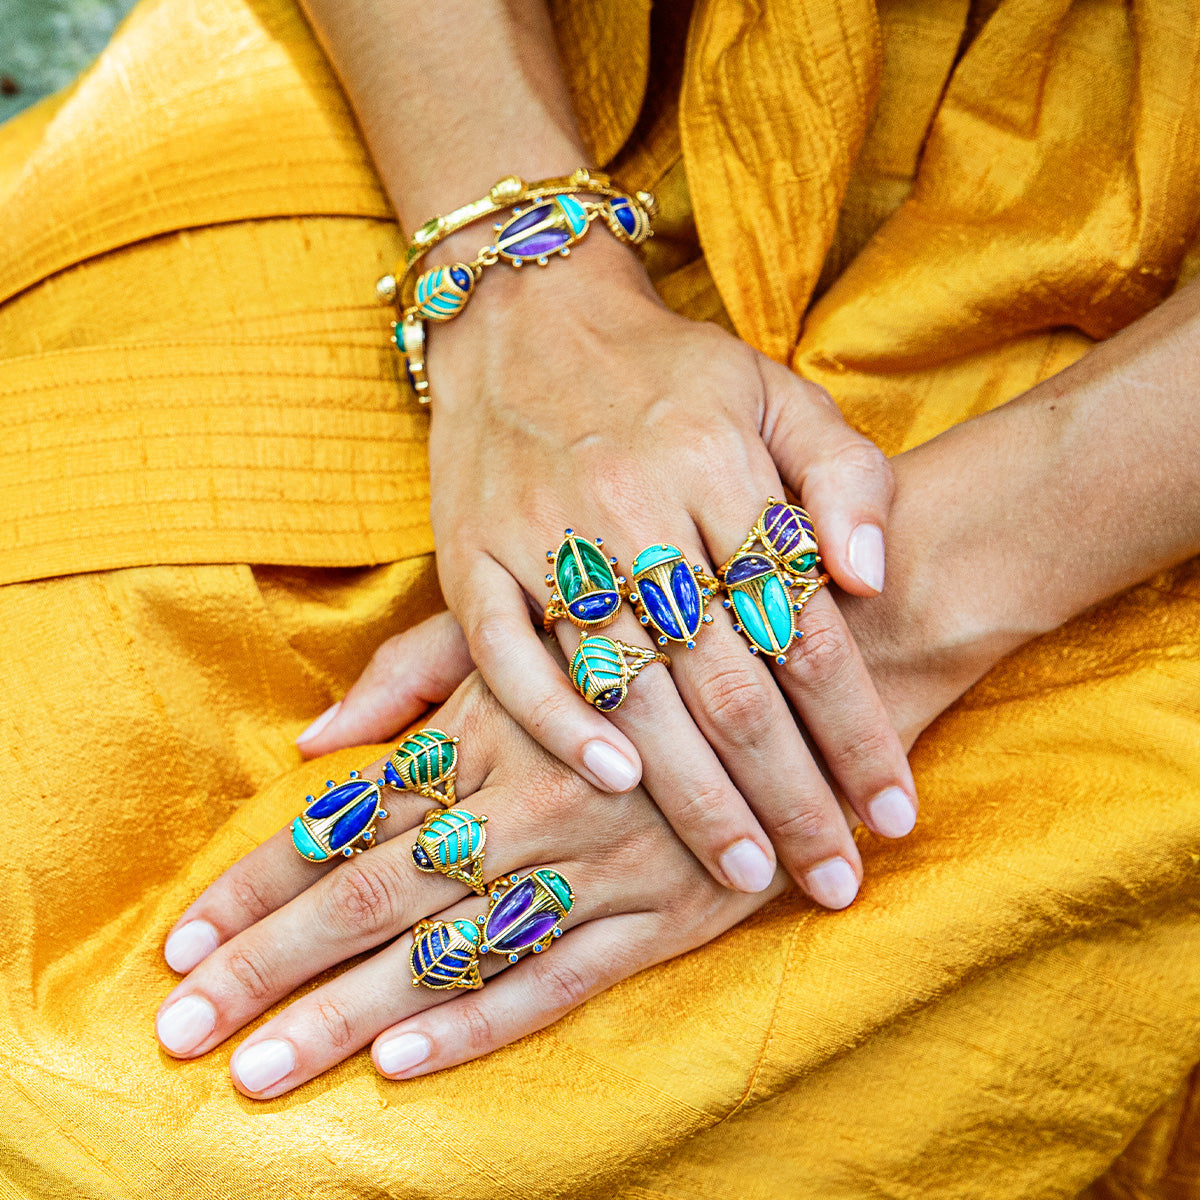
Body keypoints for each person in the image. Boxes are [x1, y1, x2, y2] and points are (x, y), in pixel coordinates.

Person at [0, 0, 1197, 1196]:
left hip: (1130, 438)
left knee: (238, 1159)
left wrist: (849, 625)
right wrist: (523, 281)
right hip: (526, 95)